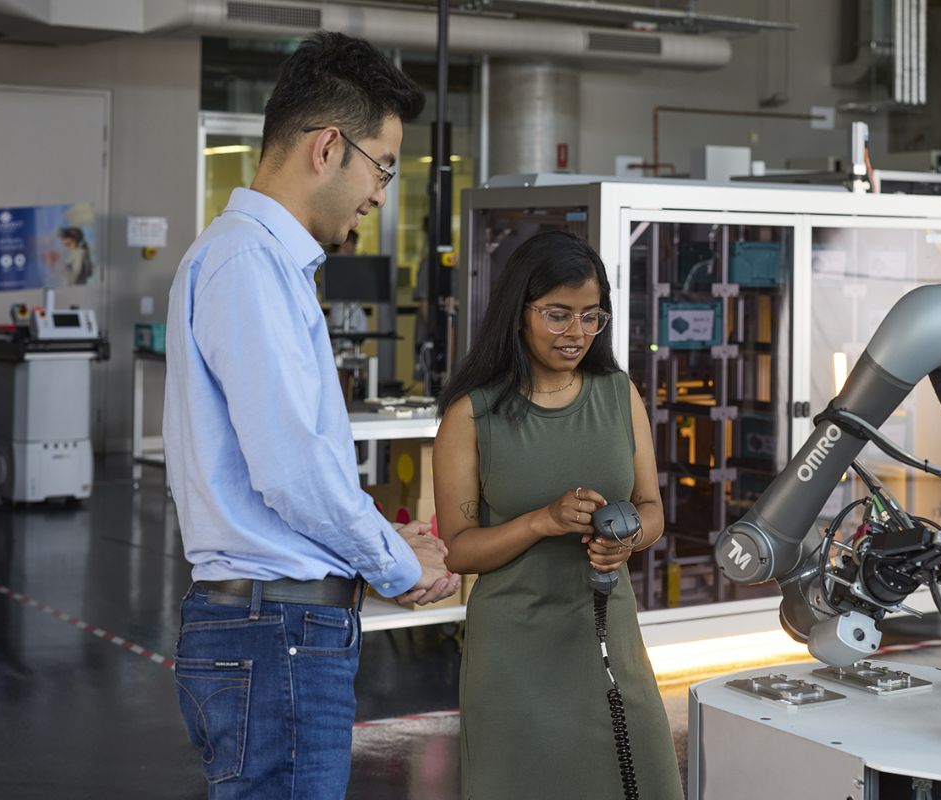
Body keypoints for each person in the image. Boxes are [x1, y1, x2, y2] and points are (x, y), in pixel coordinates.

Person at [164, 31, 459, 799]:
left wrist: (381, 537)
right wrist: (397, 567)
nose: (382, 194)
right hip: (279, 637)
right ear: (329, 146)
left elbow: (289, 462)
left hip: (278, 632)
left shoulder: (264, 262)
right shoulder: (249, 261)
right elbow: (291, 468)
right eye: (383, 167)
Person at [433, 230, 683, 799]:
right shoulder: (472, 416)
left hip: (607, 635)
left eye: (591, 316)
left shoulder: (619, 394)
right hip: (514, 654)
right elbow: (459, 549)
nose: (576, 333)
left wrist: (626, 539)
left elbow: (653, 512)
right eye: (557, 315)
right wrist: (541, 521)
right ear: (517, 312)